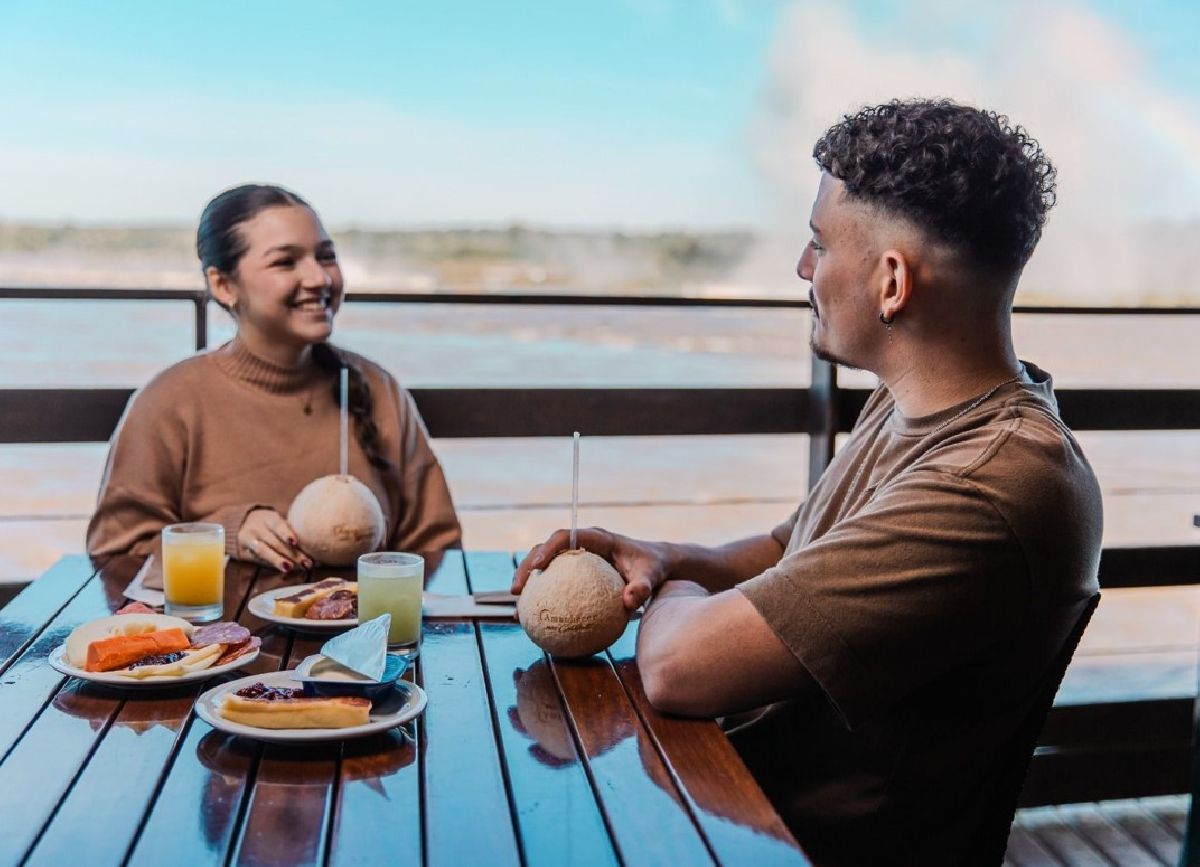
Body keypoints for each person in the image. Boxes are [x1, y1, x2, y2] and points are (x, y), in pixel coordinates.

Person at [513, 99, 1102, 865]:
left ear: (891, 282)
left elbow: (675, 668)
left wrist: (670, 596)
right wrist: (664, 554)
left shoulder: (991, 485)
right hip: (734, 803)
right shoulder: (909, 401)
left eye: (819, 244)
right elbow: (787, 549)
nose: (801, 267)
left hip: (796, 847)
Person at [87, 184, 461, 570]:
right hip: (220, 629)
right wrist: (227, 533)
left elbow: (437, 546)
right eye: (285, 262)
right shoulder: (170, 399)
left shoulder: (378, 389)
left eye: (326, 256)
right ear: (223, 285)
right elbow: (115, 552)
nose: (319, 278)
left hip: (372, 629)